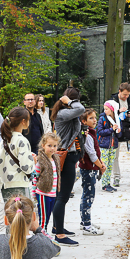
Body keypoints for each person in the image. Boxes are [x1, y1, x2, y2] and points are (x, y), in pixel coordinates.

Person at [50, 89, 85, 245]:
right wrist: (69, 101)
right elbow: (81, 109)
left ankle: (58, 226)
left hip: (70, 157)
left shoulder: (65, 113)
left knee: (61, 196)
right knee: (62, 197)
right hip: (66, 158)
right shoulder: (64, 113)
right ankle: (60, 235)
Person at [0, 106, 36, 207]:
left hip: (5, 183)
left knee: (11, 215)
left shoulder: (4, 140)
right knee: (22, 216)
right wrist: (33, 161)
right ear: (23, 121)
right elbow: (26, 167)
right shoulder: (22, 140)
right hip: (19, 182)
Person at [78, 109, 105, 235]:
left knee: (86, 195)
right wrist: (101, 166)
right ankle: (87, 226)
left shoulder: (90, 133)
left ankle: (84, 221)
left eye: (95, 117)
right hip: (89, 169)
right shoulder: (87, 136)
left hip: (90, 168)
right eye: (91, 118)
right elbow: (92, 155)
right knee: (88, 197)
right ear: (84, 121)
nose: (95, 120)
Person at [32, 132, 60, 235]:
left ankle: (44, 235)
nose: (52, 148)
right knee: (43, 218)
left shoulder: (55, 159)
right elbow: (35, 177)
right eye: (49, 146)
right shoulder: (41, 160)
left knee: (48, 216)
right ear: (43, 145)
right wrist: (34, 192)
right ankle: (41, 237)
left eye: (54, 146)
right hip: (43, 193)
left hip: (52, 193)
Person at [97, 101, 121, 192]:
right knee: (105, 164)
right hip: (104, 145)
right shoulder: (102, 118)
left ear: (112, 110)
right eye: (105, 109)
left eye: (107, 109)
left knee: (110, 165)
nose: (105, 110)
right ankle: (104, 184)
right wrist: (111, 129)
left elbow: (119, 134)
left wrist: (118, 131)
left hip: (113, 145)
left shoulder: (117, 119)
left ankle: (108, 183)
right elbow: (100, 132)